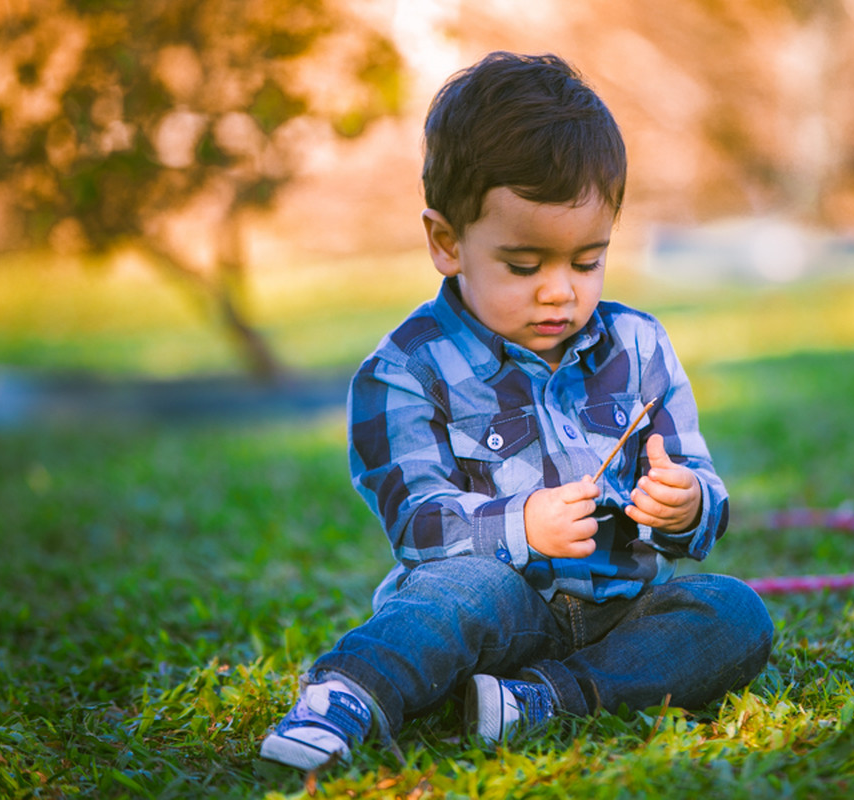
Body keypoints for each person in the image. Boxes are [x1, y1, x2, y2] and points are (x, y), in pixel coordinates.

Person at [260, 51, 773, 771]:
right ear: (447, 242)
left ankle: (543, 699)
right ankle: (347, 693)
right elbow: (417, 524)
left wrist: (685, 504)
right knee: (458, 594)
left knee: (733, 613)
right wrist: (522, 527)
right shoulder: (405, 370)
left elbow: (700, 490)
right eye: (524, 266)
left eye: (587, 261)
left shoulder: (638, 345)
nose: (560, 291)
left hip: (618, 614)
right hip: (494, 608)